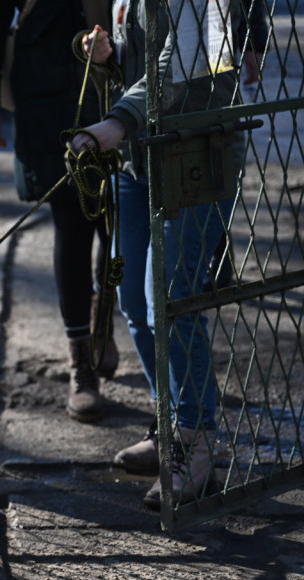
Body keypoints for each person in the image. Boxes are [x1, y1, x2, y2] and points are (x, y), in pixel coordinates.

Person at [71, 0, 245, 508]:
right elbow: (142, 54)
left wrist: (118, 121)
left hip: (194, 155)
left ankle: (195, 441)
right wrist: (106, 53)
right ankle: (169, 423)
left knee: (170, 297)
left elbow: (182, 60)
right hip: (137, 165)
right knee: (131, 299)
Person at [0, 0, 120, 425]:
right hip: (48, 89)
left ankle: (102, 318)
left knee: (120, 218)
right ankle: (82, 367)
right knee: (72, 225)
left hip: (120, 76)